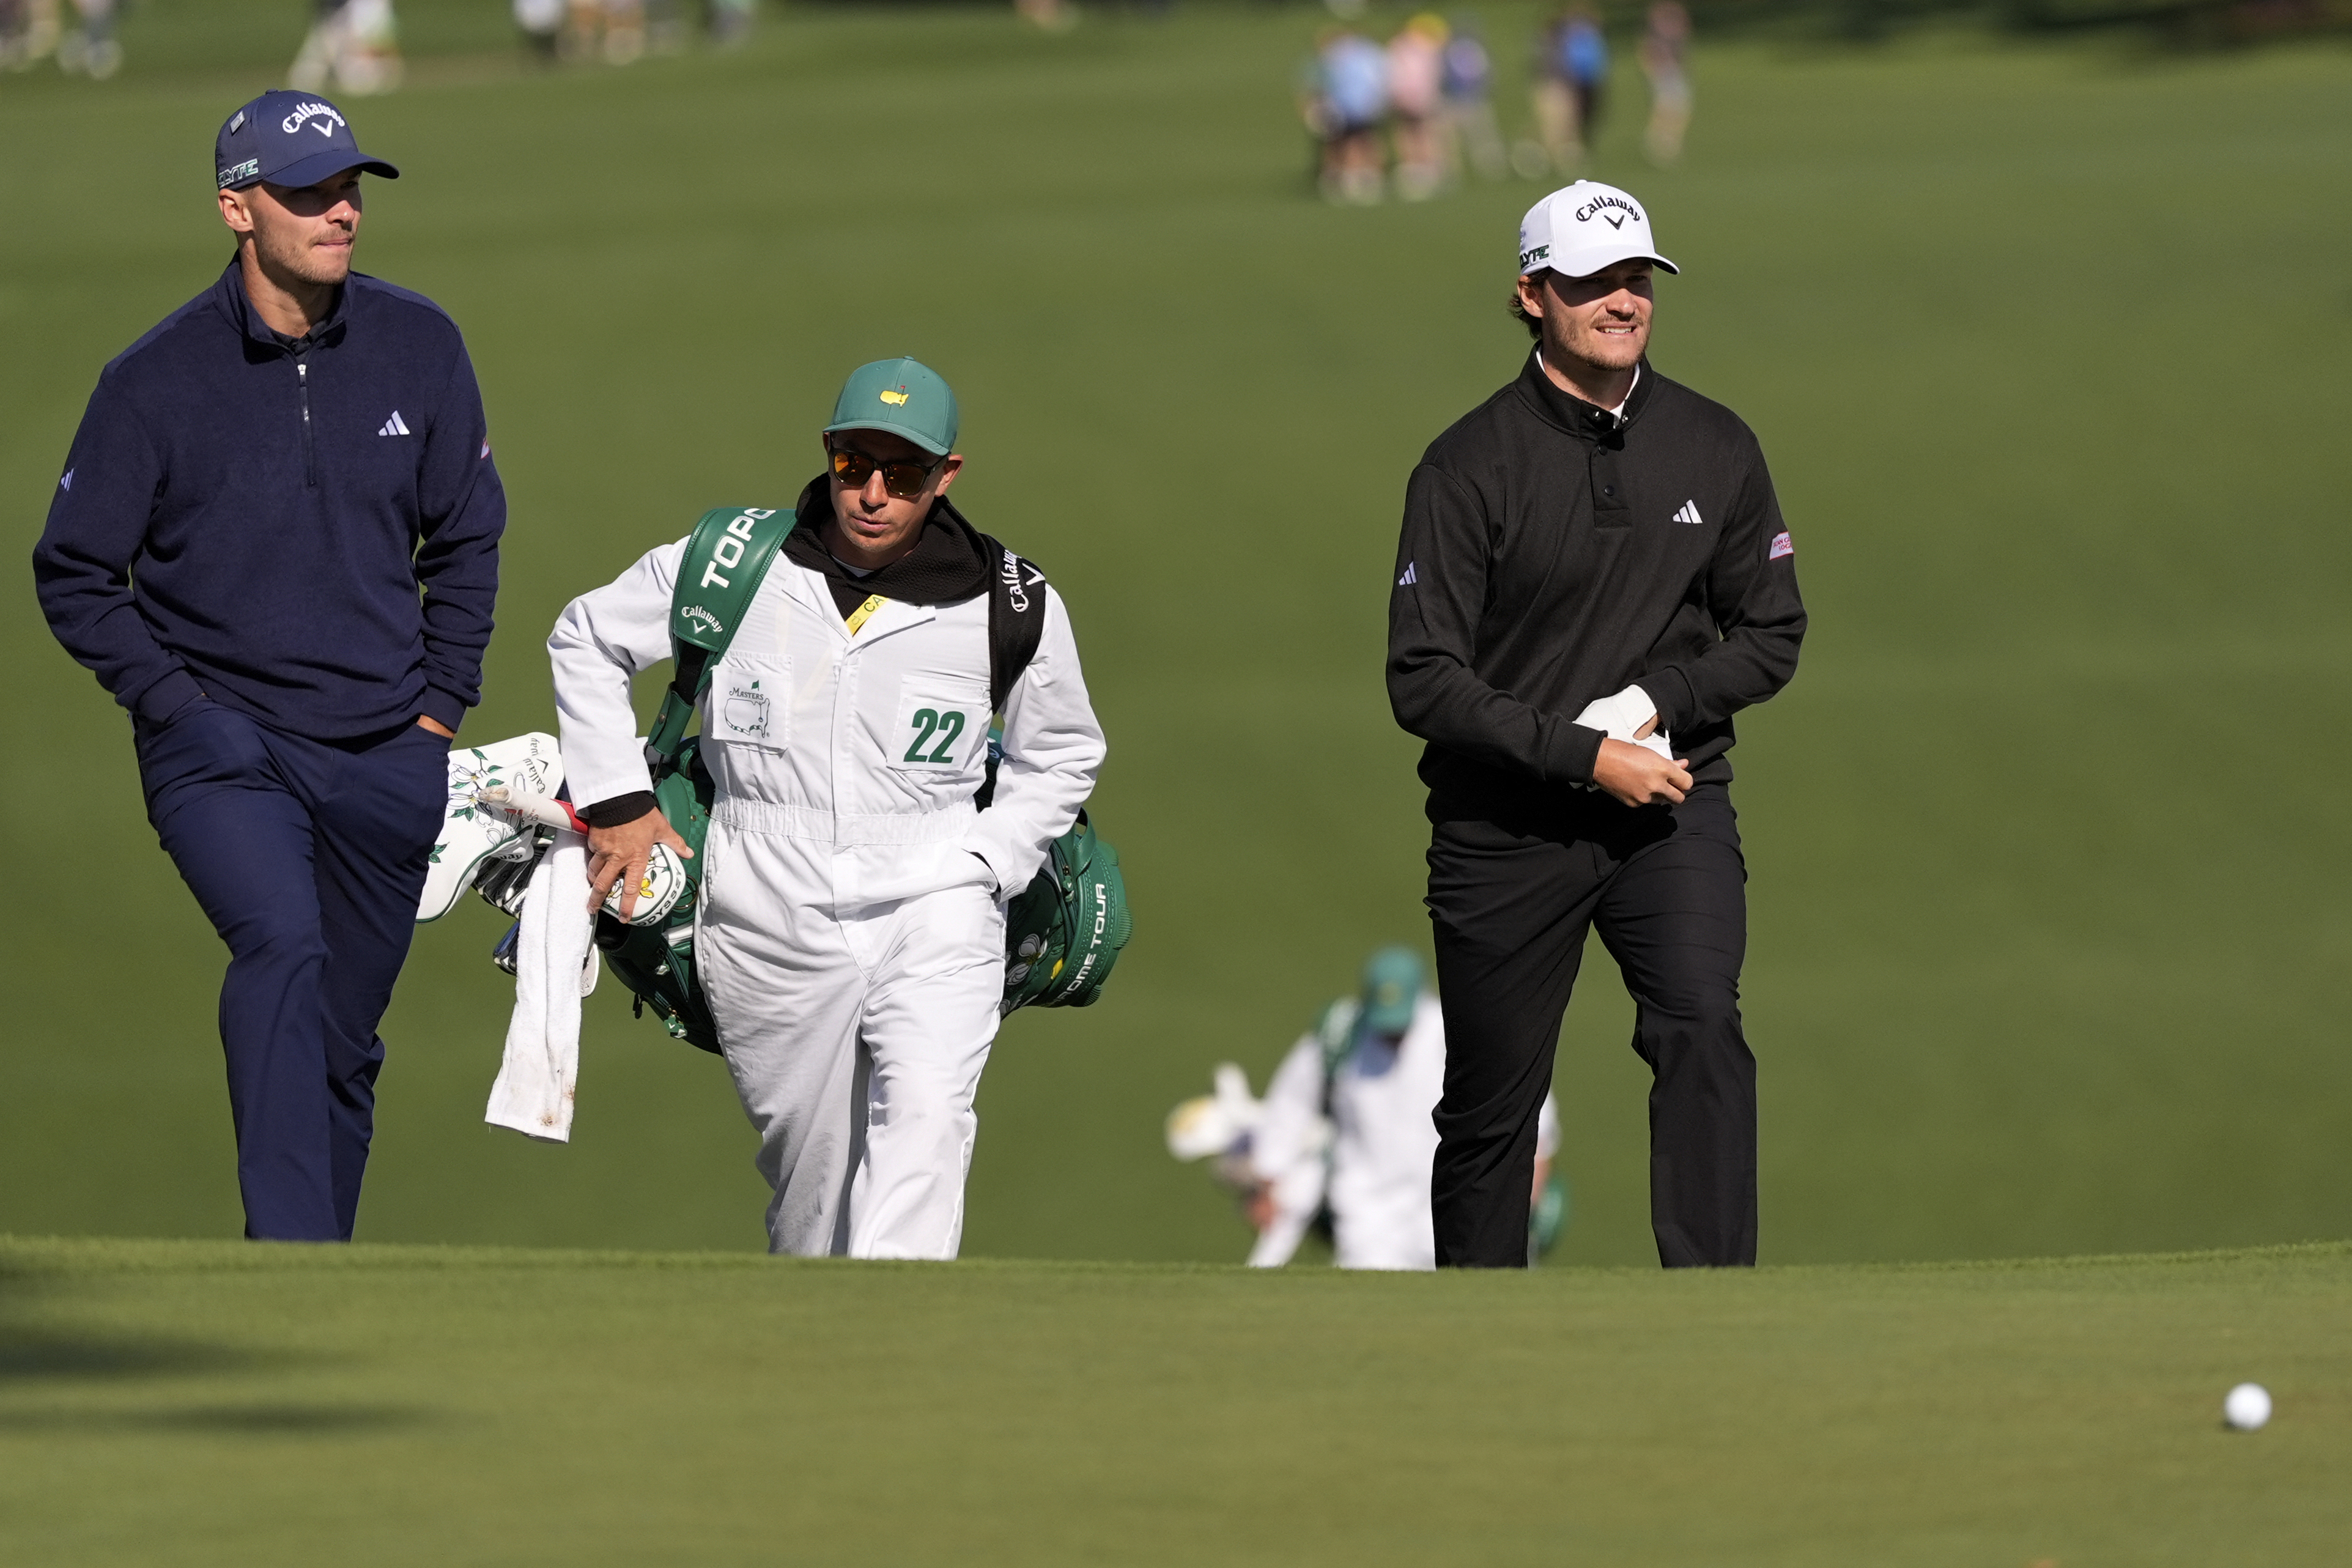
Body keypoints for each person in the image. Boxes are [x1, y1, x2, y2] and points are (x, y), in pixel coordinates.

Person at [32, 93, 506, 1242]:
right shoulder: (152, 381)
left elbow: (470, 535)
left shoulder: (421, 343)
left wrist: (437, 716)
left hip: (388, 754)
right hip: (226, 753)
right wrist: (181, 712)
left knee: (341, 1042)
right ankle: (286, 1255)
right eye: (308, 193)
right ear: (236, 209)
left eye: (350, 187)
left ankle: (318, 1284)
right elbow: (76, 572)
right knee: (282, 945)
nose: (341, 210)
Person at [546, 359, 1106, 1259]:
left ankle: (899, 1351)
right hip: (763, 897)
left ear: (946, 476)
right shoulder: (734, 558)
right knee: (815, 1196)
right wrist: (616, 802)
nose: (873, 494)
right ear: (828, 455)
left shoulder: (1012, 600)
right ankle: (820, 1350)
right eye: (854, 466)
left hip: (937, 894)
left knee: (927, 1116)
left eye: (904, 474)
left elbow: (1063, 752)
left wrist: (985, 862)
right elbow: (587, 636)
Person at [1386, 182, 1806, 1268]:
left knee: (1702, 1025)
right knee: (1492, 1112)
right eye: (1589, 283)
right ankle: (1482, 1343)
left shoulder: (1715, 445)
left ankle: (1714, 1309)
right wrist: (1582, 754)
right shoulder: (1466, 465)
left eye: (1636, 280)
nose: (1620, 301)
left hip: (1669, 803)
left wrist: (1659, 704)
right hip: (1504, 825)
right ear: (1532, 295)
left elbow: (1770, 632)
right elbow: (1423, 678)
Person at [1237, 948, 1562, 1270]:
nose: (1392, 1032)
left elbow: (1529, 1113)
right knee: (1371, 1311)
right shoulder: (1340, 1035)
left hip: (1450, 1202)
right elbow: (1290, 1108)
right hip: (1367, 1213)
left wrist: (1526, 1199)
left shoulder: (1456, 1031)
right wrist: (1268, 1183)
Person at [1385, 15, 1448, 203]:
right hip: (1410, 97)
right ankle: (1414, 169)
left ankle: (1428, 168)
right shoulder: (1403, 49)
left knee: (1421, 133)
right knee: (1411, 133)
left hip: (1419, 97)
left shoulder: (1421, 48)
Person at [1440, 13, 1506, 183]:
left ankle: (1491, 167)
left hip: (1469, 98)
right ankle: (1455, 171)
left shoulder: (1459, 49)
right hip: (1461, 99)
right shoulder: (1460, 49)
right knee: (1457, 138)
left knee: (1481, 136)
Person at [1640, 1, 1693, 166]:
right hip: (1664, 71)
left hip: (1673, 70)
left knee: (1676, 107)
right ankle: (1661, 140)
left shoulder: (1671, 28)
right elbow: (1646, 52)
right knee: (1669, 106)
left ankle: (1665, 140)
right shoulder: (1657, 31)